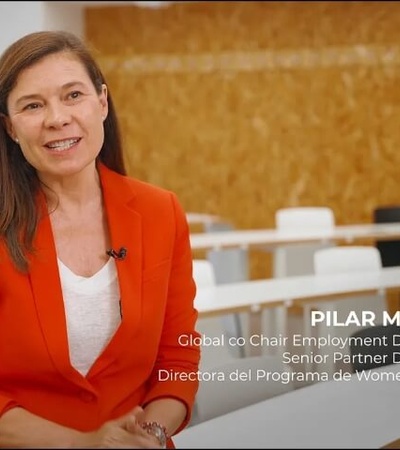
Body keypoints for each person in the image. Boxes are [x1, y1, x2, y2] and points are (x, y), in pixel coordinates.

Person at [0, 30, 201, 448]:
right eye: (32, 105)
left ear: (102, 103)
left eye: (73, 95)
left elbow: (177, 359)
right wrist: (84, 443)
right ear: (11, 129)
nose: (57, 118)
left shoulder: (160, 211)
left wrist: (150, 434)